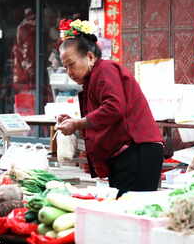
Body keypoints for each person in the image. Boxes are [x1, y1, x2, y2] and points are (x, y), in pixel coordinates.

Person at [55, 19, 164, 198]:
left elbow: (114, 108)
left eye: (72, 64)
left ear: (90, 57)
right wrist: (74, 120)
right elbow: (102, 113)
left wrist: (77, 124)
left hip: (137, 151)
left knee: (130, 209)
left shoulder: (105, 69)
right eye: (65, 67)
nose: (69, 72)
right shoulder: (93, 79)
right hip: (127, 153)